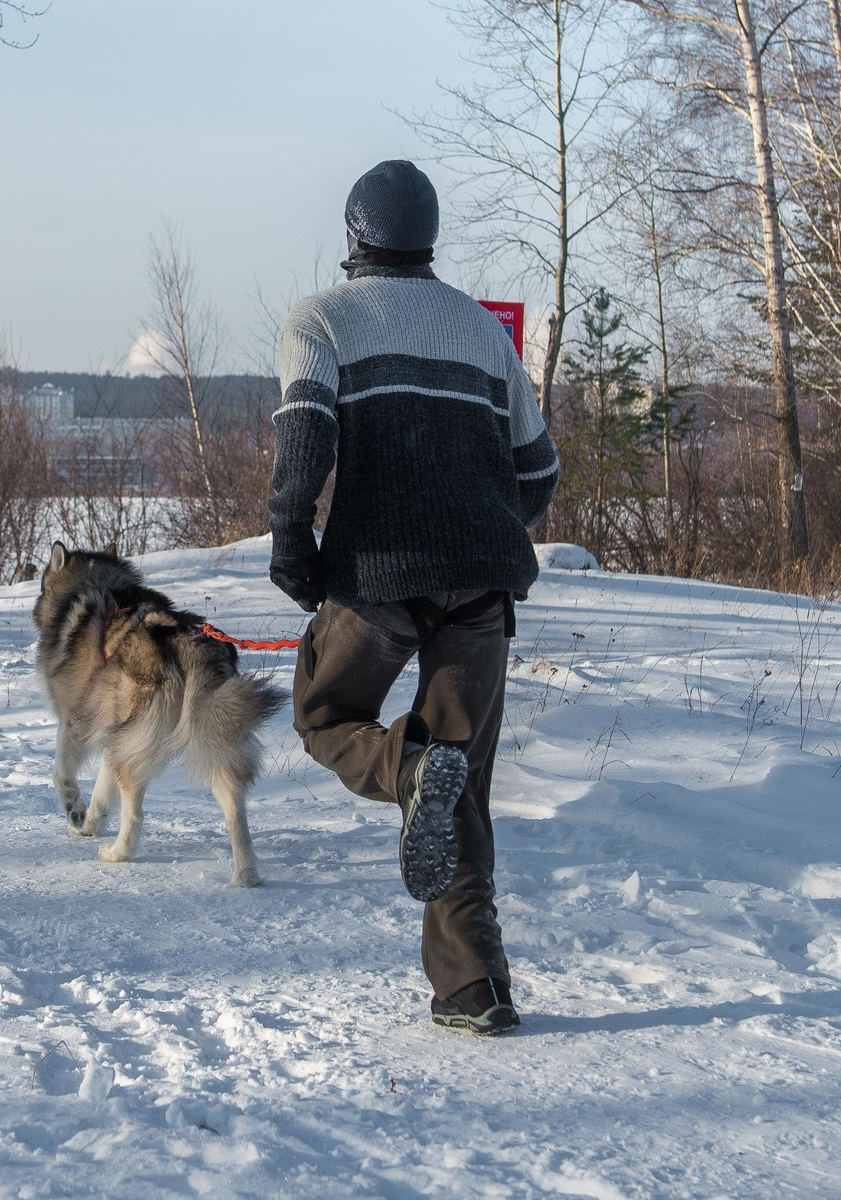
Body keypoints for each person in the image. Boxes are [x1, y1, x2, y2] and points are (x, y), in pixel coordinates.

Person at [268, 160, 559, 1038]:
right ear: (428, 237)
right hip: (484, 584)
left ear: (354, 234)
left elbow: (305, 438)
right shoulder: (481, 328)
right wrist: (479, 527)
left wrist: (293, 543)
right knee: (461, 783)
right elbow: (539, 471)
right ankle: (474, 988)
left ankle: (402, 768)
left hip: (378, 577)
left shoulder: (319, 318)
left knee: (324, 716)